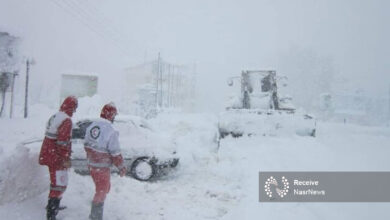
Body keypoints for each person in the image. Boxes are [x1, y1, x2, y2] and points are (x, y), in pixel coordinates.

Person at [84, 103, 126, 220]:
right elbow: (115, 152)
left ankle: (95, 213)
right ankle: (95, 216)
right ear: (110, 115)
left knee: (103, 189)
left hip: (92, 165)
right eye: (114, 116)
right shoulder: (111, 130)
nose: (114, 118)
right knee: (102, 191)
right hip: (102, 167)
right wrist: (121, 166)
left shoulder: (92, 125)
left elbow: (86, 144)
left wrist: (91, 156)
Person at [39, 96, 78, 220]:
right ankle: (51, 213)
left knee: (55, 182)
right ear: (71, 107)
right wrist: (66, 159)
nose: (75, 111)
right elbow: (63, 142)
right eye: (75, 108)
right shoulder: (66, 121)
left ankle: (53, 205)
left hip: (49, 154)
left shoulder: (56, 116)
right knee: (59, 184)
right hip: (56, 157)